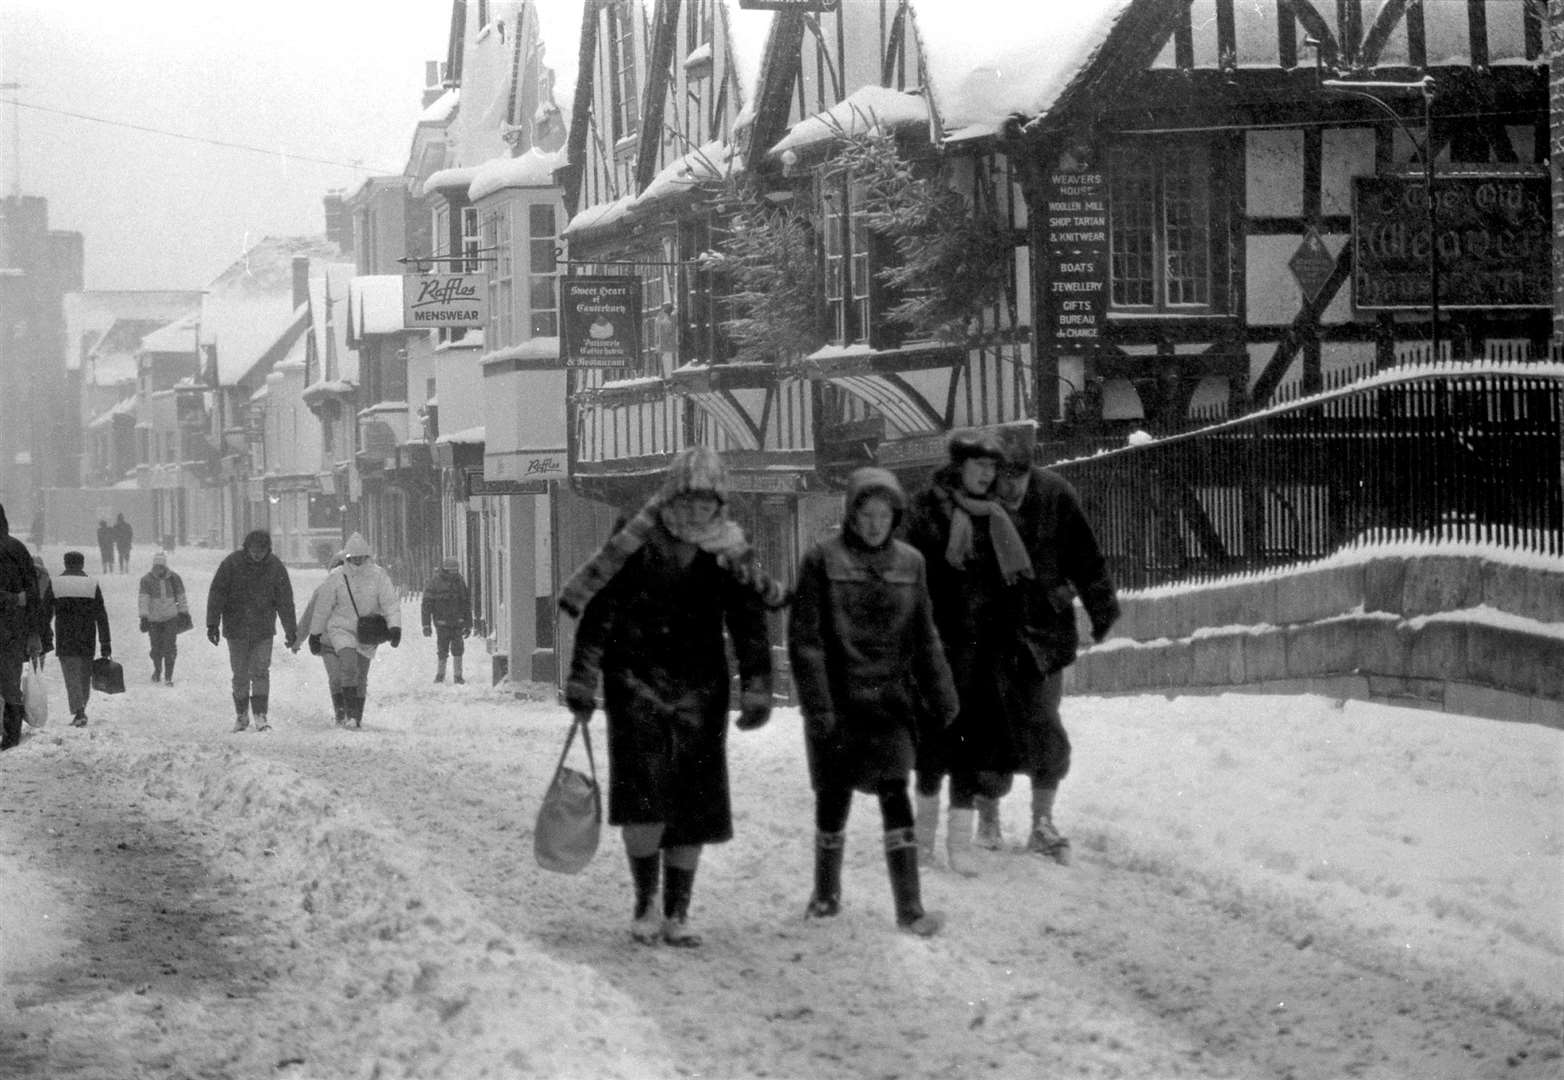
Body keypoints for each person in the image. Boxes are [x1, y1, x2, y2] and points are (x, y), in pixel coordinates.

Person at [560, 445, 781, 947]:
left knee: (692, 804)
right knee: (644, 799)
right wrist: (582, 679)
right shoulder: (635, 538)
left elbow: (748, 623)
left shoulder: (728, 549)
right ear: (675, 494)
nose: (700, 508)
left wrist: (757, 688)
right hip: (634, 683)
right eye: (692, 498)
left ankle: (679, 912)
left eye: (710, 500)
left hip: (700, 689)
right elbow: (600, 612)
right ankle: (645, 904)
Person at [787, 467, 960, 936]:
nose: (874, 524)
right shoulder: (821, 561)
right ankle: (825, 895)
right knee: (834, 796)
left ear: (895, 516)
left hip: (889, 703)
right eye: (866, 514)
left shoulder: (911, 564)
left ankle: (910, 908)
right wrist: (818, 706)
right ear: (852, 514)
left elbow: (924, 637)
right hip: (838, 705)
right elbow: (806, 641)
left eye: (884, 515)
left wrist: (943, 695)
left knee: (894, 793)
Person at [971, 432, 1120, 863]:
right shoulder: (975, 506)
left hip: (1044, 632)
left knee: (1042, 719)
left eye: (1021, 474)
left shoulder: (1056, 496)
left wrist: (1100, 607)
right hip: (992, 634)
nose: (1013, 485)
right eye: (1004, 474)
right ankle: (988, 818)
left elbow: (1086, 557)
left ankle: (1041, 820)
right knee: (989, 724)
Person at [902, 429, 1032, 876]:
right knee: (933, 744)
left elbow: (1014, 586)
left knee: (972, 745)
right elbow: (909, 581)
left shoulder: (998, 518)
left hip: (985, 653)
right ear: (960, 467)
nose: (987, 475)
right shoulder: (925, 513)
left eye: (992, 467)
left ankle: (959, 844)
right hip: (938, 648)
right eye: (980, 466)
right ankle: (922, 842)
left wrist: (1011, 637)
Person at [306, 532, 401, 729]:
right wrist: (315, 633)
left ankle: (356, 715)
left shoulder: (378, 575)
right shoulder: (336, 577)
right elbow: (323, 607)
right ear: (347, 558)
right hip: (341, 629)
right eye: (353, 558)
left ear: (367, 557)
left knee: (361, 675)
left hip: (367, 631)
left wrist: (395, 626)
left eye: (361, 558)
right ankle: (348, 713)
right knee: (349, 667)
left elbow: (390, 603)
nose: (357, 562)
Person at [207, 530, 298, 733]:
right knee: (240, 673)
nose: (258, 554)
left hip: (263, 630)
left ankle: (260, 714)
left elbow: (285, 601)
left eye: (262, 550)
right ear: (247, 548)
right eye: (254, 550)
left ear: (268, 550)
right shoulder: (231, 564)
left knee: (260, 671)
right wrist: (212, 623)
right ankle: (241, 714)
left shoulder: (275, 568)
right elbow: (217, 594)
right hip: (236, 629)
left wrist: (291, 630)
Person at [0, 502, 45, 750]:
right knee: (10, 682)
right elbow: (33, 594)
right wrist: (34, 632)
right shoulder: (18, 549)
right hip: (14, 628)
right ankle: (11, 736)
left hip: (10, 626)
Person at [52, 550, 111, 727]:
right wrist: (105, 642)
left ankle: (79, 711)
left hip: (65, 637)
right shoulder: (91, 584)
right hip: (87, 637)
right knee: (84, 676)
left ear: (65, 563)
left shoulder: (56, 583)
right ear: (82, 564)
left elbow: (45, 612)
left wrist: (41, 635)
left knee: (72, 677)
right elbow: (101, 615)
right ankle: (81, 707)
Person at [295, 550, 350, 724]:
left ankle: (351, 712)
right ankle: (341, 713)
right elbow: (309, 615)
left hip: (351, 643)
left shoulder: (359, 593)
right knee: (335, 678)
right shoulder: (322, 591)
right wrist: (297, 640)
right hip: (328, 644)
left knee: (349, 678)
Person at [138, 551, 189, 685]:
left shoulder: (174, 578)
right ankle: (157, 669)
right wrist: (143, 617)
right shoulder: (146, 580)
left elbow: (181, 596)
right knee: (155, 647)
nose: (159, 569)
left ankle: (168, 676)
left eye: (161, 566)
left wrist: (184, 612)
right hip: (153, 620)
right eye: (157, 566)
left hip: (171, 618)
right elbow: (143, 599)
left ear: (165, 566)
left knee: (170, 647)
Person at [421, 556, 472, 684]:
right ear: (446, 570)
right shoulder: (434, 583)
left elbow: (466, 604)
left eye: (456, 571)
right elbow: (427, 605)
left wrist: (468, 624)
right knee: (442, 649)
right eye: (452, 571)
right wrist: (426, 625)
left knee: (458, 649)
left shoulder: (460, 582)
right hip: (442, 623)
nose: (454, 574)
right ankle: (440, 674)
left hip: (457, 622)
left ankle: (458, 675)